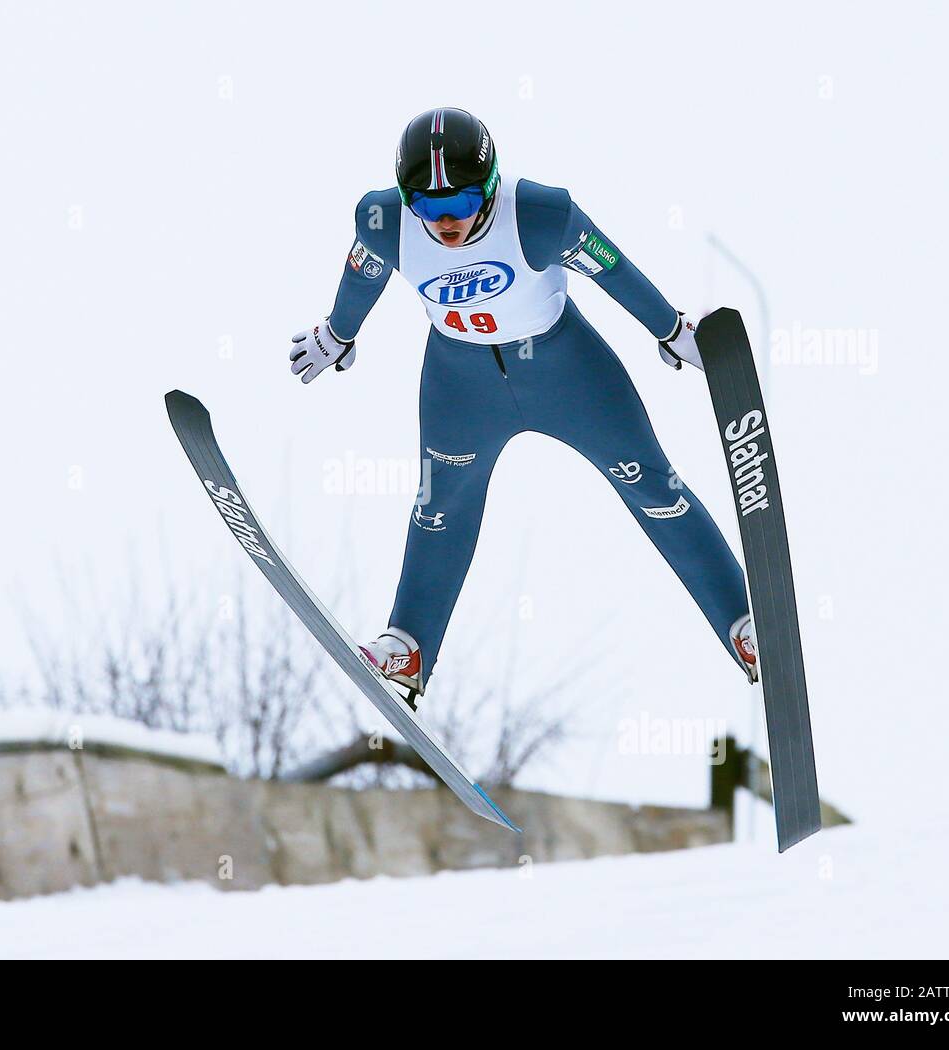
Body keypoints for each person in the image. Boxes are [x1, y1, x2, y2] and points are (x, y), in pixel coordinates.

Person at [289, 107, 756, 709]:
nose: (446, 221)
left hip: (566, 370)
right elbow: (363, 278)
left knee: (651, 484)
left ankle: (744, 625)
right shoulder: (382, 220)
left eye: (460, 202)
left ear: (490, 184)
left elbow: (611, 268)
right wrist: (339, 334)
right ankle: (408, 644)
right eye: (427, 207)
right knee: (441, 506)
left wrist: (669, 329)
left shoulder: (539, 213)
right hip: (460, 385)